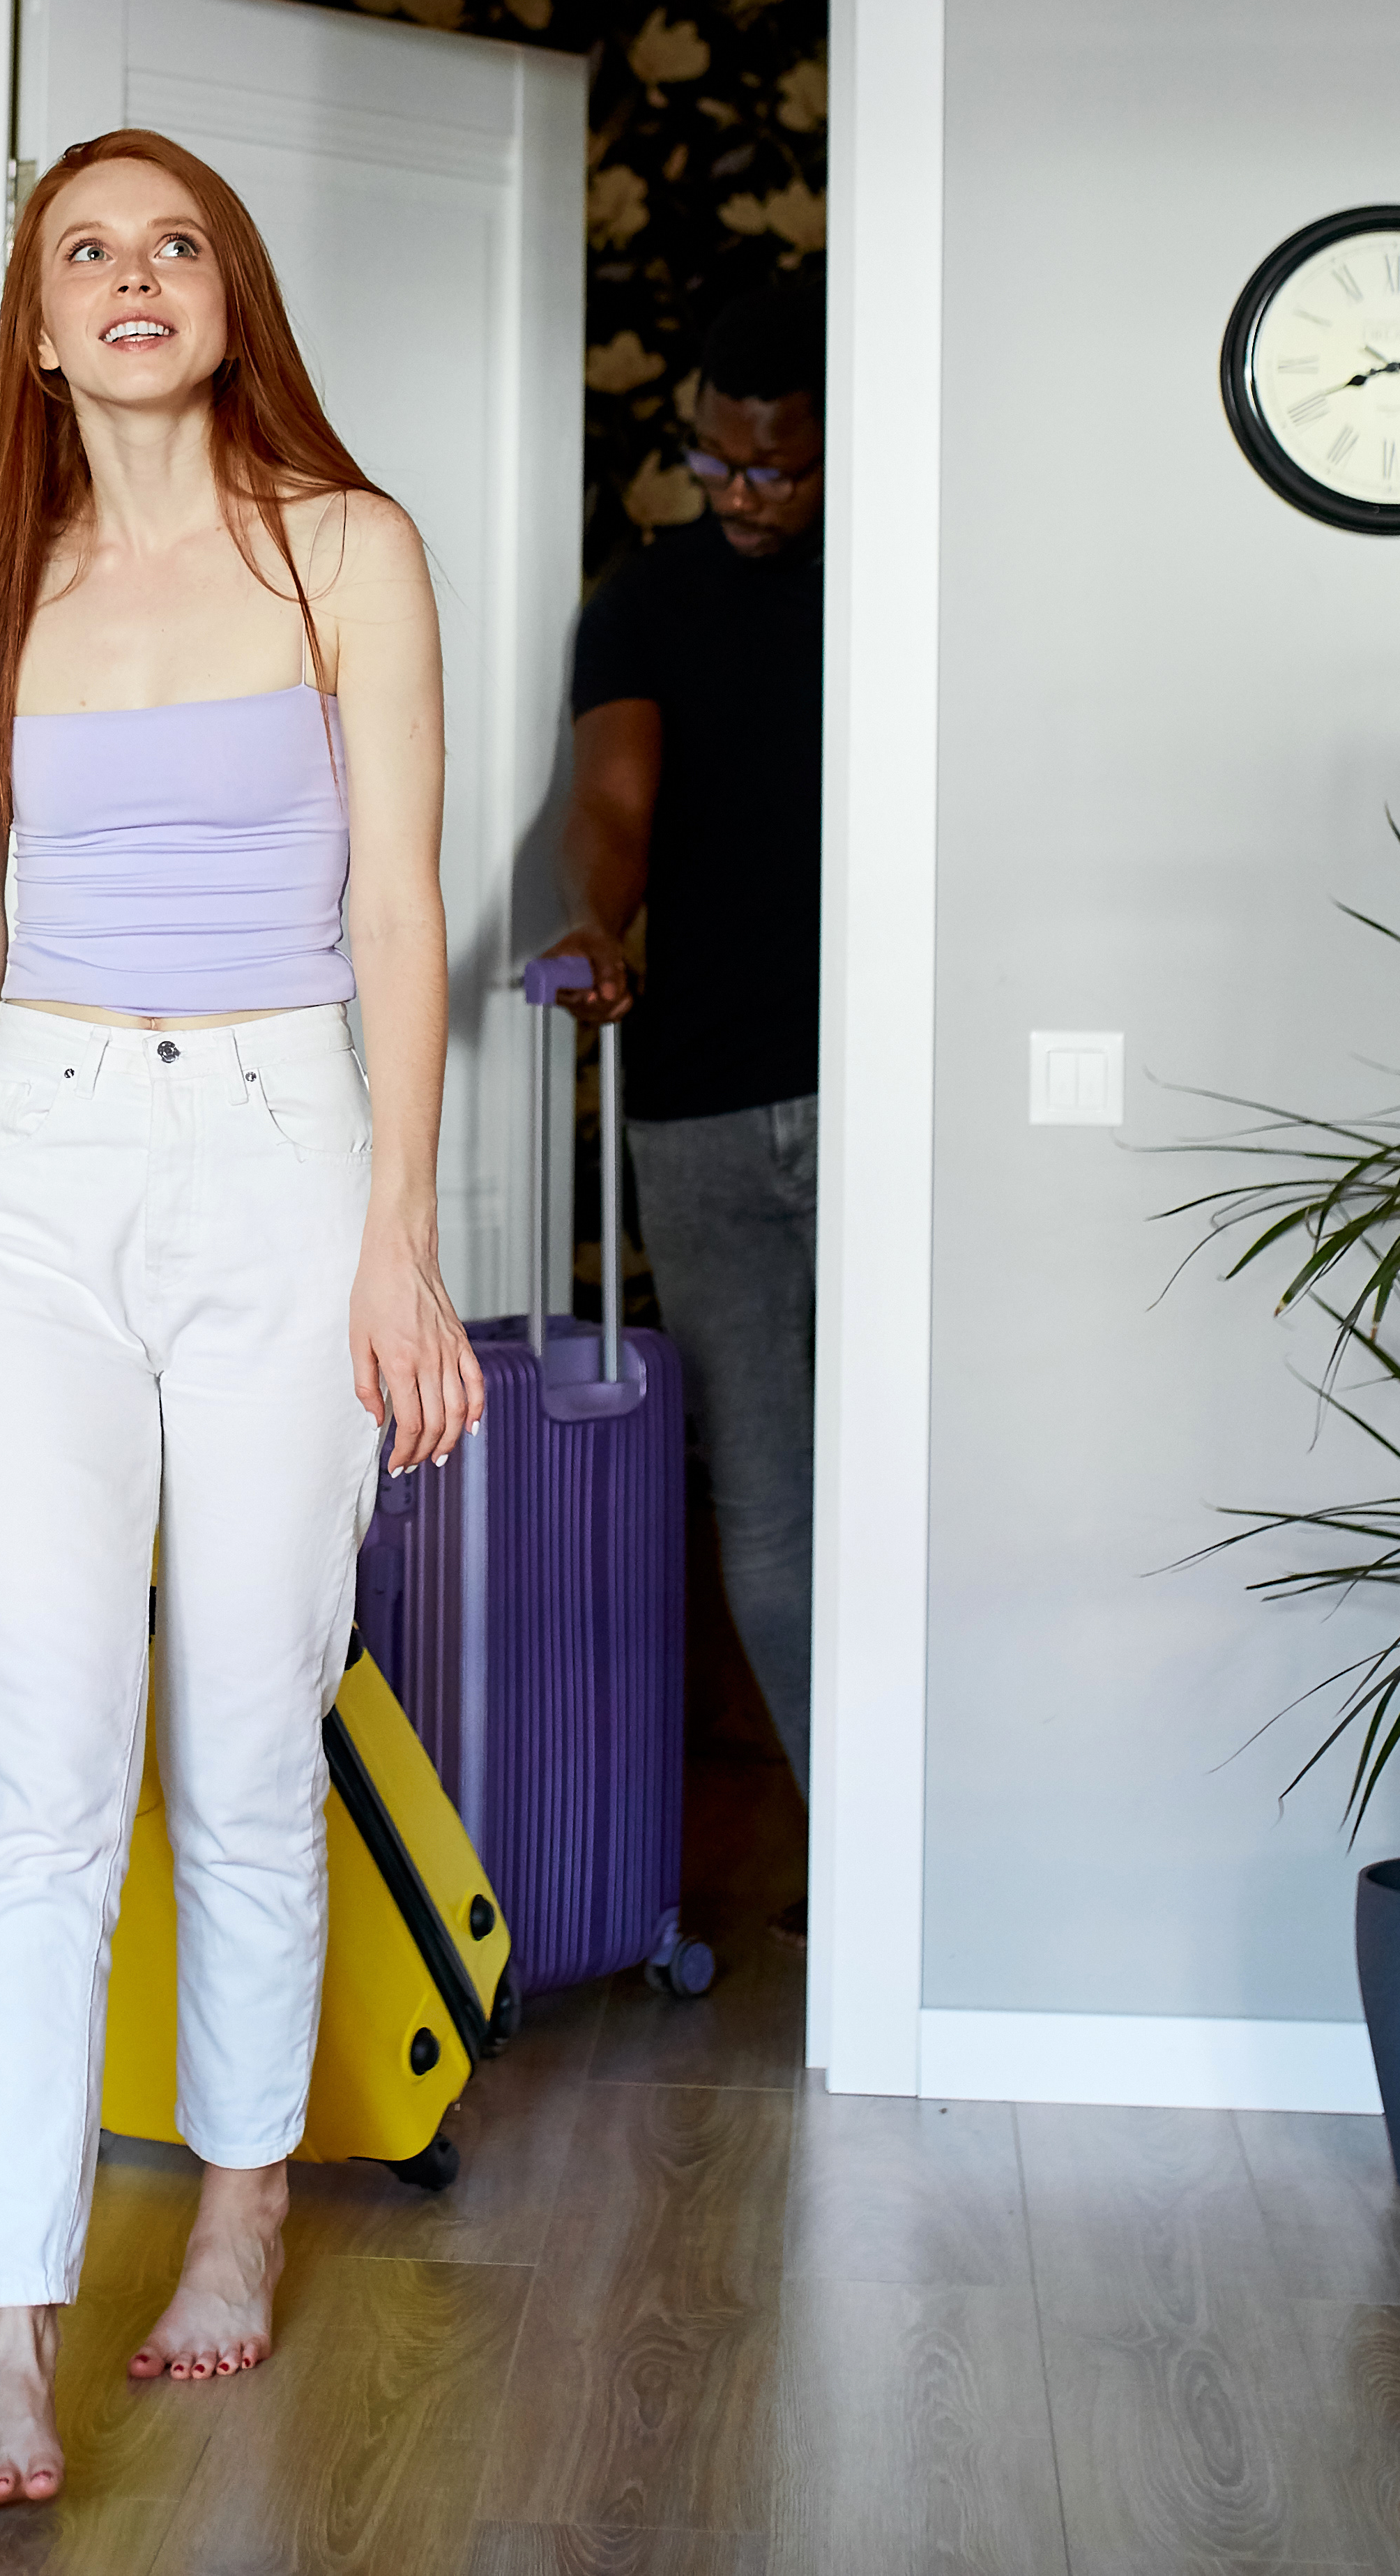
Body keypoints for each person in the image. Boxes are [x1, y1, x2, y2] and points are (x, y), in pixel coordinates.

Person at [0, 128, 484, 2513]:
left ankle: (247, 2196)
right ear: (33, 315)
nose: (130, 278)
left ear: (231, 288)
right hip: (39, 1173)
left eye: (172, 241)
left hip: (287, 1145)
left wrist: (403, 1233)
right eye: (84, 251)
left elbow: (399, 909)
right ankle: (8, 2320)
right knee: (37, 1774)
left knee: (247, 1733)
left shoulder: (347, 549)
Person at [543, 269, 826, 1796]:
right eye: (713, 460)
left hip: (877, 1098)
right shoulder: (646, 602)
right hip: (701, 1109)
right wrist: (594, 922)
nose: (737, 493)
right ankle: (847, 1850)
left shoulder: (895, 587)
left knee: (913, 1477)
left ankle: (929, 1869)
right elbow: (609, 805)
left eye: (773, 467)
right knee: (766, 1510)